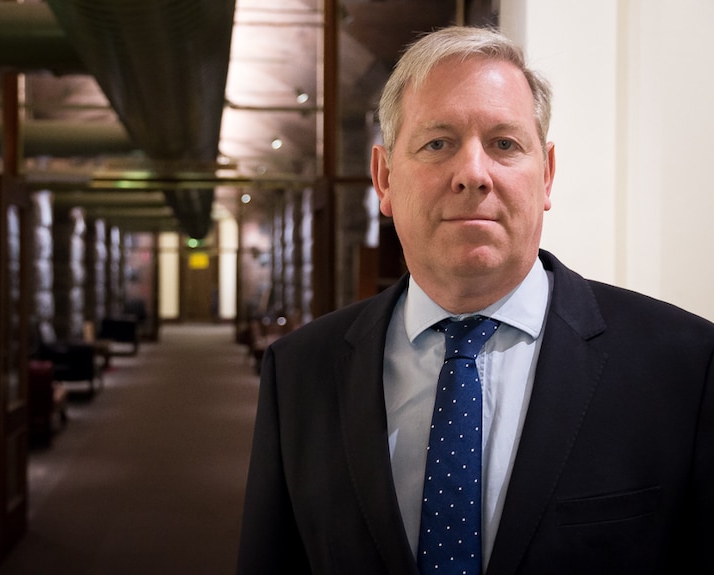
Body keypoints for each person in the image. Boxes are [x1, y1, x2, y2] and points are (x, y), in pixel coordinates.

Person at [236, 25, 714, 575]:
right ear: (384, 178)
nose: (472, 173)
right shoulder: (299, 372)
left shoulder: (683, 366)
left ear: (548, 175)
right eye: (437, 143)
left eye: (504, 144)